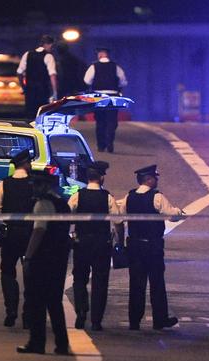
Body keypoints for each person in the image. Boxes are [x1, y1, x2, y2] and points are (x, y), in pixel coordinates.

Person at [119, 165, 183, 330]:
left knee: (136, 285)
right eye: (155, 177)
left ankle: (134, 321)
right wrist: (179, 211)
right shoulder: (157, 197)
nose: (157, 180)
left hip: (134, 246)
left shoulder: (129, 197)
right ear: (149, 179)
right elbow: (172, 214)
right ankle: (159, 320)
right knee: (157, 284)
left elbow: (118, 217)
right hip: (152, 247)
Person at [17, 173, 72, 355]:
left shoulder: (42, 204)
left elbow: (39, 231)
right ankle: (62, 344)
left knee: (36, 302)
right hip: (59, 258)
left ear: (44, 186)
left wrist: (28, 257)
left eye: (36, 185)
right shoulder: (63, 204)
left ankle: (37, 343)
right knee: (54, 303)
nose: (33, 188)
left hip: (43, 259)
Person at [68, 161, 124, 331]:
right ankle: (96, 320)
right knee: (100, 281)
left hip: (82, 243)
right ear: (101, 177)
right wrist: (120, 242)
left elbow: (66, 215)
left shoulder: (78, 195)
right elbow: (119, 221)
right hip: (101, 244)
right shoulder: (108, 197)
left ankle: (81, 311)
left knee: (79, 278)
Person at [0, 150, 35, 328]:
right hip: (31, 234)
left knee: (7, 272)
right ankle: (28, 315)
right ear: (26, 164)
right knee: (31, 275)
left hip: (11, 234)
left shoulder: (4, 184)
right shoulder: (35, 184)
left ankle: (11, 309)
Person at [83, 47, 128, 153]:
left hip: (99, 96)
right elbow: (123, 82)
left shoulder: (94, 66)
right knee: (112, 121)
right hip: (113, 96)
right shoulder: (116, 67)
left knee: (100, 121)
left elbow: (87, 80)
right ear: (108, 55)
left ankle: (101, 145)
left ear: (99, 55)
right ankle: (110, 142)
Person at [17, 35, 59, 119]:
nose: (52, 48)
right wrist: (55, 92)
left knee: (29, 115)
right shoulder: (48, 56)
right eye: (52, 45)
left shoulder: (27, 54)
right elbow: (52, 75)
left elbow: (19, 72)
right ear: (47, 44)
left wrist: (23, 87)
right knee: (41, 115)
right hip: (43, 91)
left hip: (29, 90)